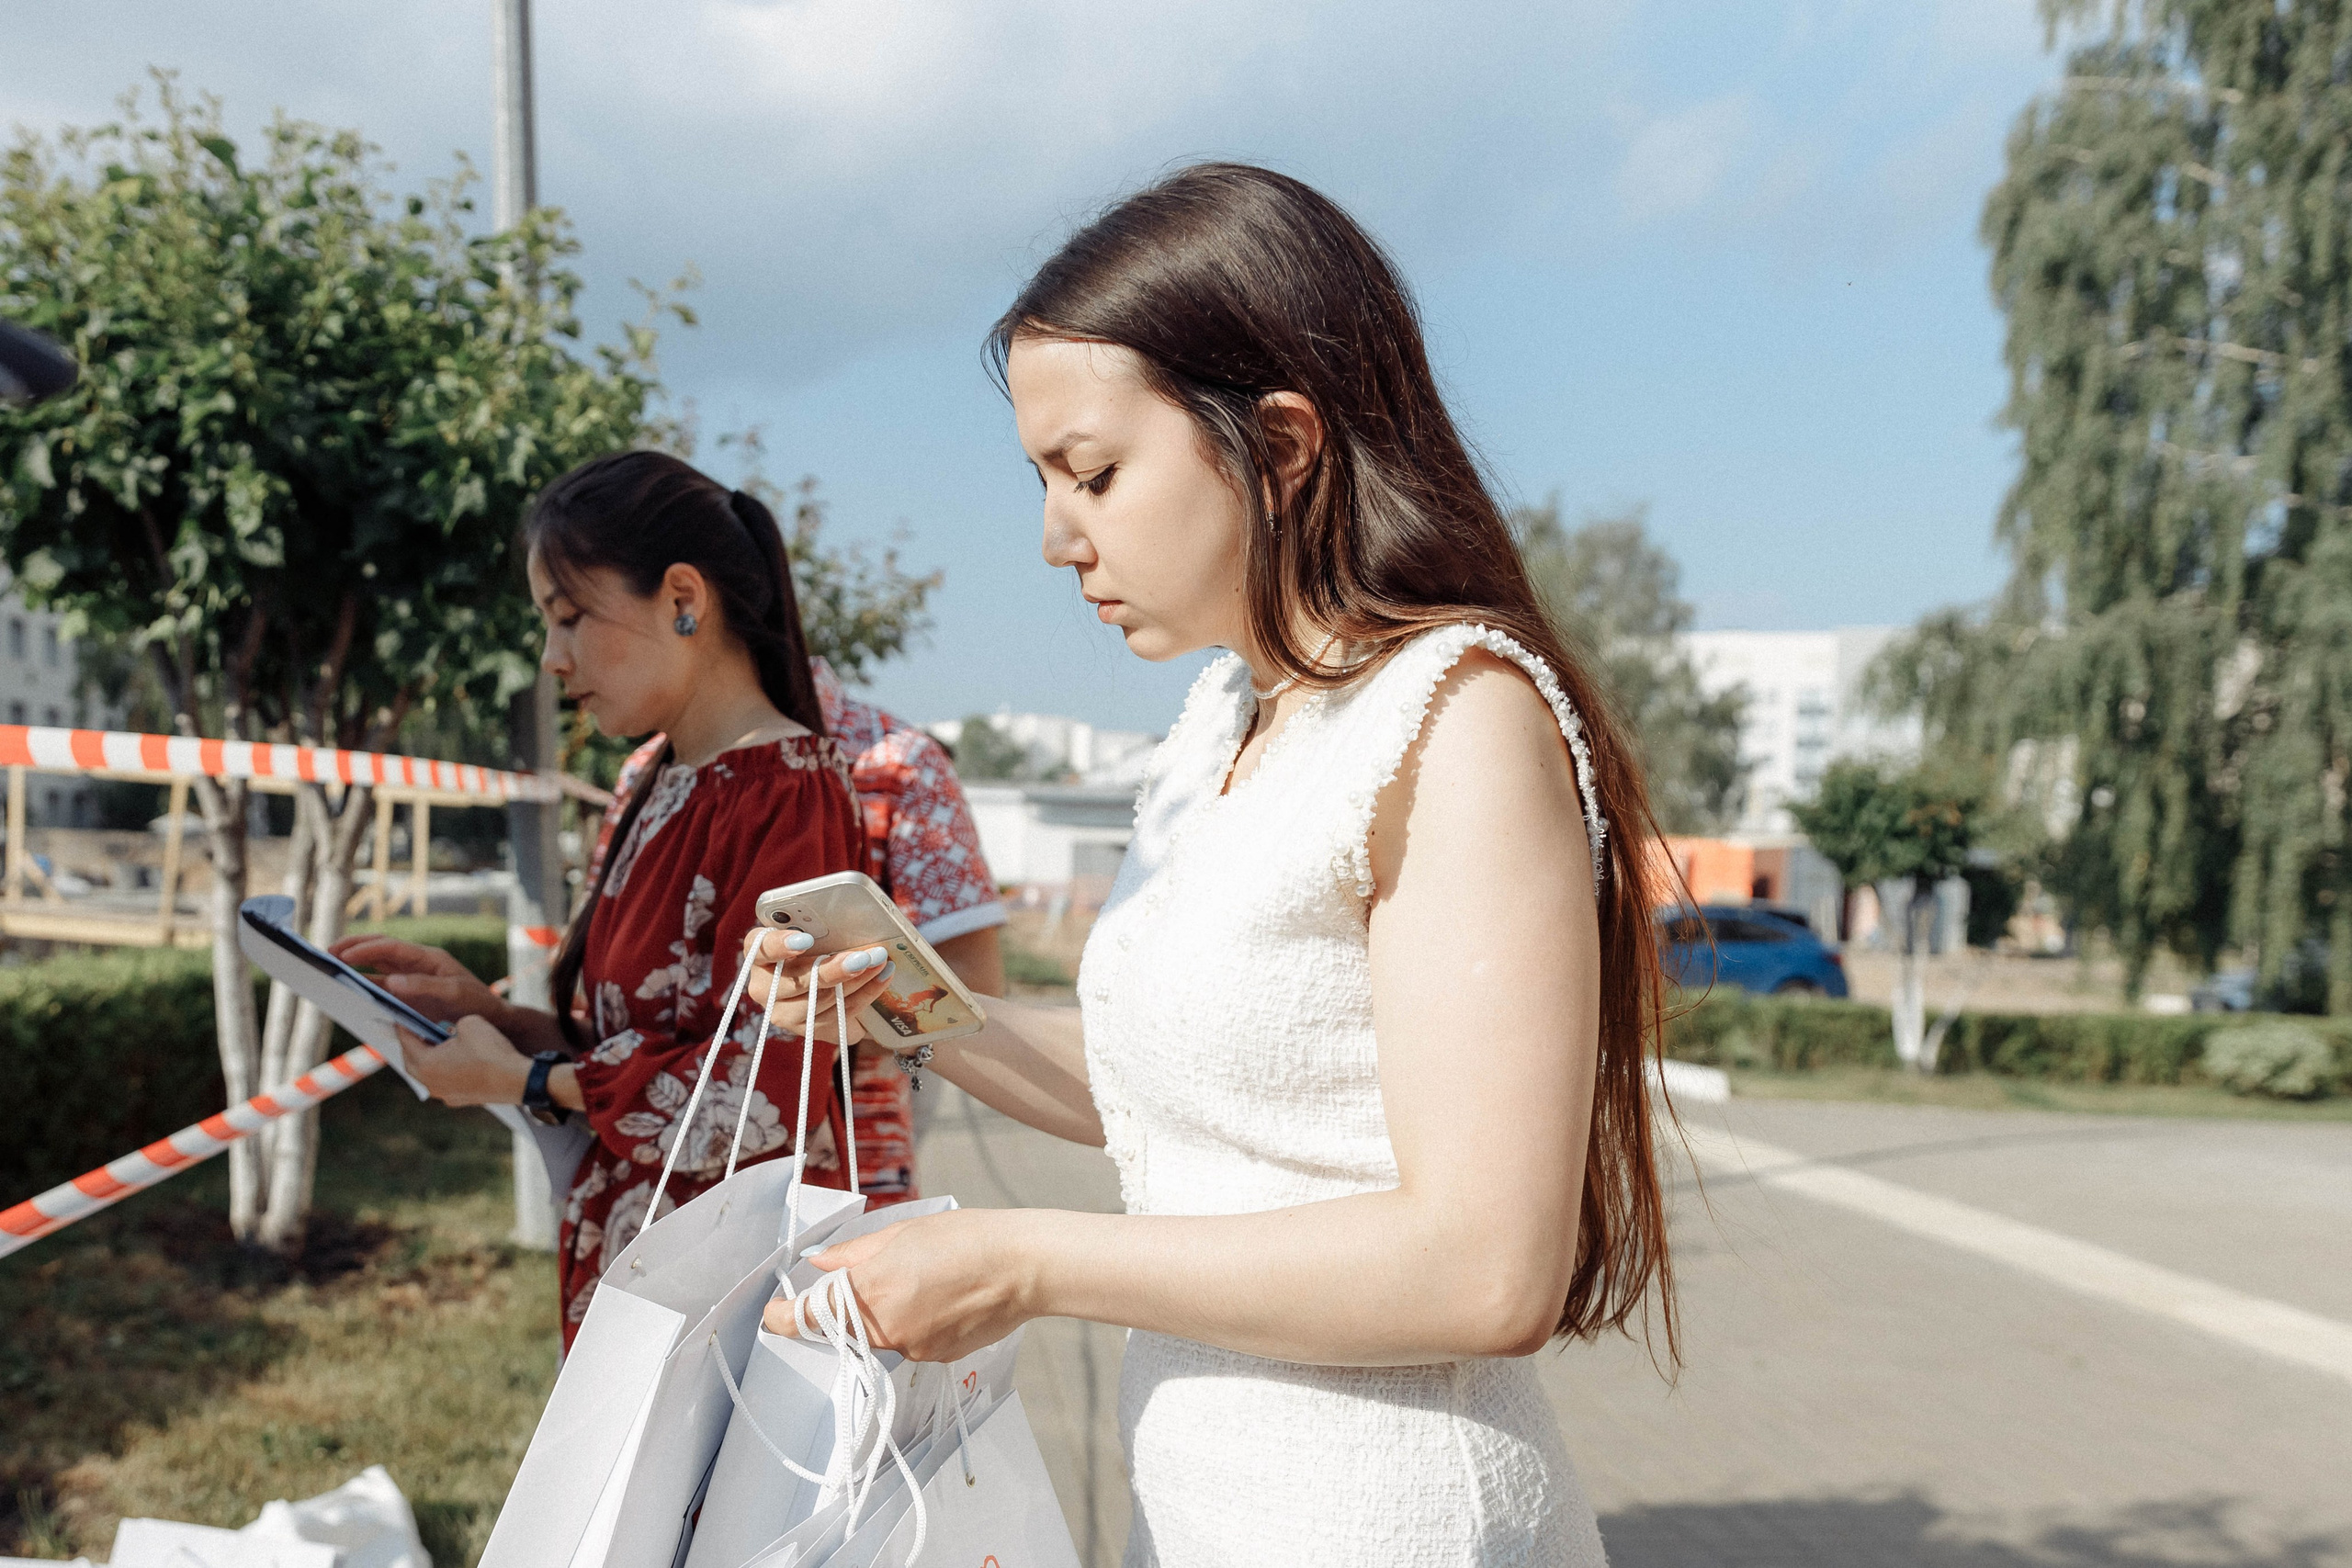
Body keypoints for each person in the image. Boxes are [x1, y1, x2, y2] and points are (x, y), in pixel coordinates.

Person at [740, 164, 1680, 1565]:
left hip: (1397, 1520)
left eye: (1094, 473)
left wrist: (1025, 1259)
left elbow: (1487, 1265)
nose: (1059, 539)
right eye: (1044, 480)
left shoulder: (1457, 716)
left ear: (1285, 441)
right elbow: (1179, 1090)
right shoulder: (1223, 721)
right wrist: (900, 1001)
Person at [333, 451, 890, 1345]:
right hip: (641, 1273)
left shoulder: (789, 790)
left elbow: (759, 1099)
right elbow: (644, 1047)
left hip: (721, 1306)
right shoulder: (661, 782)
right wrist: (491, 1017)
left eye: (569, 617)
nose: (552, 660)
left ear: (681, 597)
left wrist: (524, 1080)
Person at [590, 654, 1007, 1205]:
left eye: (574, 616)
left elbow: (973, 988)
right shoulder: (649, 769)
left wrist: (839, 1011)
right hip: (642, 1175)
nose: (555, 656)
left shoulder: (895, 762)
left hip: (837, 1183)